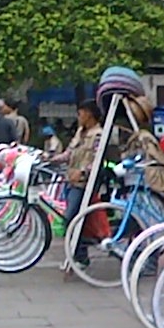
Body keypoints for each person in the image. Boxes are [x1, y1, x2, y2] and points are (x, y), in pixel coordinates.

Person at [52, 100, 104, 267]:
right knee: (74, 218)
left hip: (84, 183)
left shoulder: (98, 134)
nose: (78, 117)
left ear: (89, 114)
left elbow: (96, 158)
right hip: (71, 180)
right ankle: (77, 254)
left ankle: (80, 255)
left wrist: (82, 171)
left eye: (80, 113)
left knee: (71, 218)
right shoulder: (80, 132)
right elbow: (69, 152)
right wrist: (51, 159)